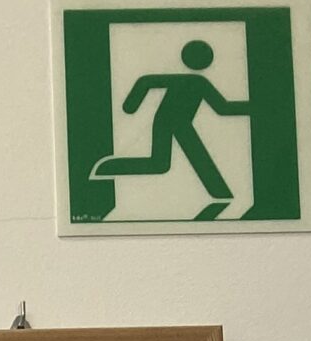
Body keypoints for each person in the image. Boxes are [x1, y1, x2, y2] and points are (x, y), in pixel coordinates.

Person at [91, 39, 251, 219]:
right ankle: (220, 194)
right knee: (162, 163)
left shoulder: (198, 82)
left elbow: (147, 81)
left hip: (177, 123)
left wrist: (131, 105)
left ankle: (107, 168)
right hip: (170, 122)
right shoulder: (198, 81)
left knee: (159, 164)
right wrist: (131, 104)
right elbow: (222, 107)